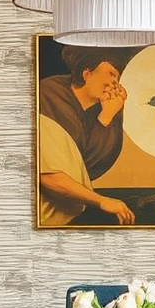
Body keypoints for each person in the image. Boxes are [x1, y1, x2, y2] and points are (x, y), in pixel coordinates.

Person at [38, 48, 135, 226]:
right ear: (87, 73)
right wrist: (101, 201)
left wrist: (106, 117)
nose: (115, 83)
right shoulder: (48, 95)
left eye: (118, 78)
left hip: (70, 213)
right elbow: (48, 173)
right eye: (111, 74)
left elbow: (87, 165)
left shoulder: (103, 109)